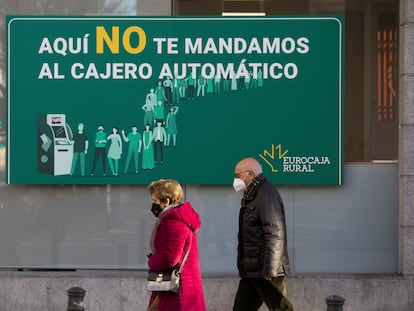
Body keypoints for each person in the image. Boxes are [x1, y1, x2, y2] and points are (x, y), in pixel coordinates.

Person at [232, 157, 294, 311]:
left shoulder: (265, 195)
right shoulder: (254, 194)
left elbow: (275, 233)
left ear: (250, 174)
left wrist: (271, 268)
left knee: (281, 308)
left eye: (238, 175)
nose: (235, 180)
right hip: (253, 269)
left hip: (265, 270)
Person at [146, 179, 206, 311]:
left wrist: (152, 261)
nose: (153, 205)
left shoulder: (174, 223)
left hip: (178, 289)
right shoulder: (176, 219)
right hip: (177, 286)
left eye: (155, 201)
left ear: (166, 201)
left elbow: (171, 257)